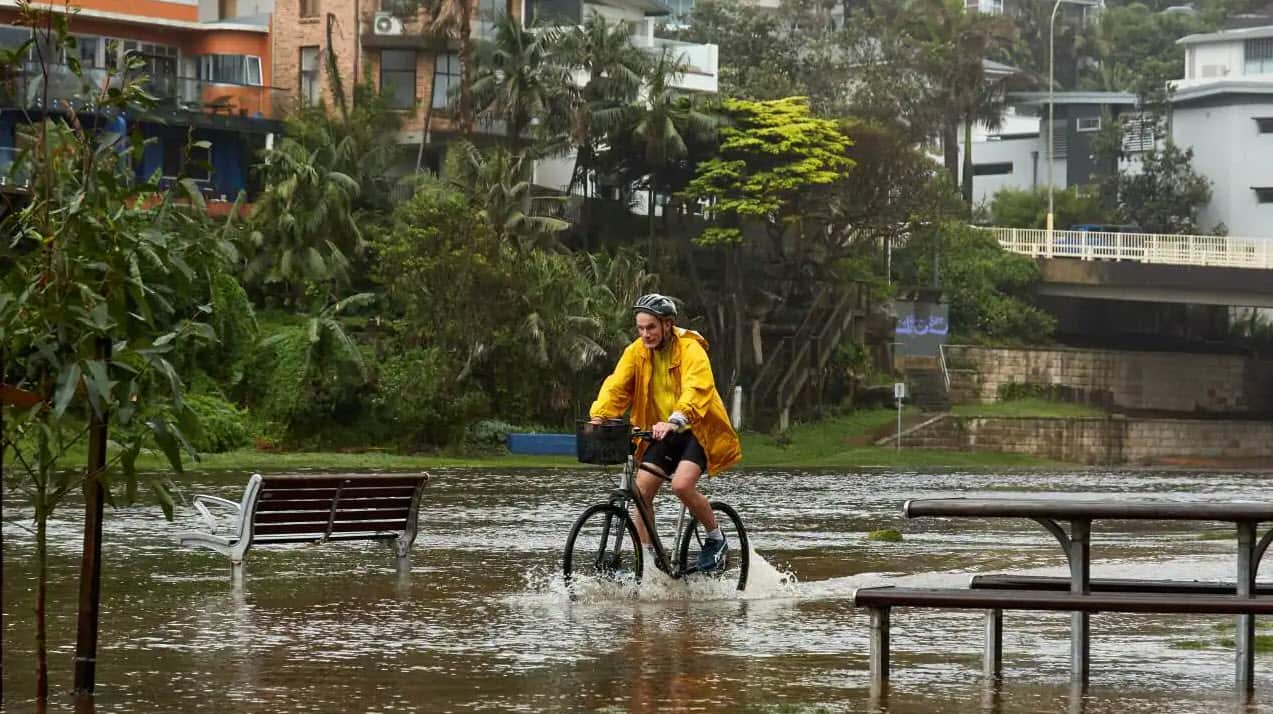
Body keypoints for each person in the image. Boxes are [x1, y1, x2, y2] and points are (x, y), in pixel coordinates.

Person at [589, 293, 742, 573]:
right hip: (662, 433)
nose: (645, 334)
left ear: (668, 325)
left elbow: (697, 387)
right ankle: (647, 563)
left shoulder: (690, 349)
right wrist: (600, 415)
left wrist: (675, 419)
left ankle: (716, 538)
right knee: (640, 491)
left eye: (651, 328)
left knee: (681, 486)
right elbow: (617, 386)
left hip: (697, 429)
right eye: (641, 328)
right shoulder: (636, 352)